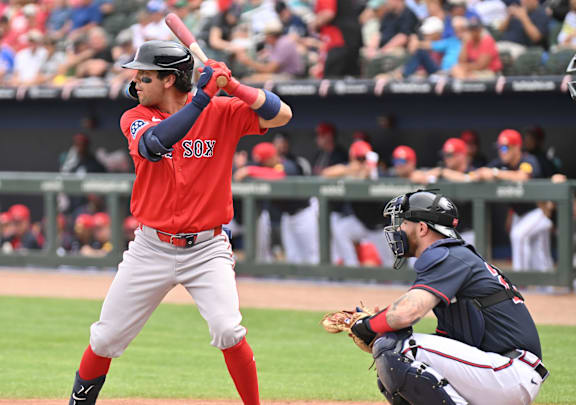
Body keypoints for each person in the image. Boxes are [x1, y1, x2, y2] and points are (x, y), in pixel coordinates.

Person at [67, 39, 292, 405]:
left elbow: (281, 114)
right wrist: (203, 98)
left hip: (206, 248)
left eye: (145, 75)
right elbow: (155, 143)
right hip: (150, 248)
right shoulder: (135, 116)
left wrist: (231, 86)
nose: (136, 81)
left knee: (228, 329)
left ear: (170, 80)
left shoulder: (222, 111)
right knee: (106, 337)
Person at [348, 190, 547, 404]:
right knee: (393, 353)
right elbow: (445, 341)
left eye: (404, 223)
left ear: (422, 228)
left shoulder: (449, 255)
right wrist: (384, 331)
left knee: (398, 349)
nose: (399, 229)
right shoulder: (453, 256)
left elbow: (407, 312)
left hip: (509, 371)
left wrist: (369, 325)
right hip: (500, 371)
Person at [471, 129, 551, 271]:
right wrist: (482, 174)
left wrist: (495, 174)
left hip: (540, 211)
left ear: (517, 147)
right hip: (520, 213)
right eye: (500, 148)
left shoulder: (528, 160)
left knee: (522, 238)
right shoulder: (500, 163)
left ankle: (523, 282)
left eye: (505, 147)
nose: (502, 151)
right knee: (535, 250)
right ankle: (534, 285)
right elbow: (476, 174)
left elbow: (523, 176)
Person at [233, 142, 318, 264]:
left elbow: (278, 176)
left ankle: (324, 282)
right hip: (287, 217)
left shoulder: (288, 165)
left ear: (272, 157)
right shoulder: (263, 166)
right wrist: (241, 165)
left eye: (264, 161)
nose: (261, 164)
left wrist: (250, 170)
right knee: (293, 256)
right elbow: (244, 170)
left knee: (312, 254)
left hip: (304, 214)